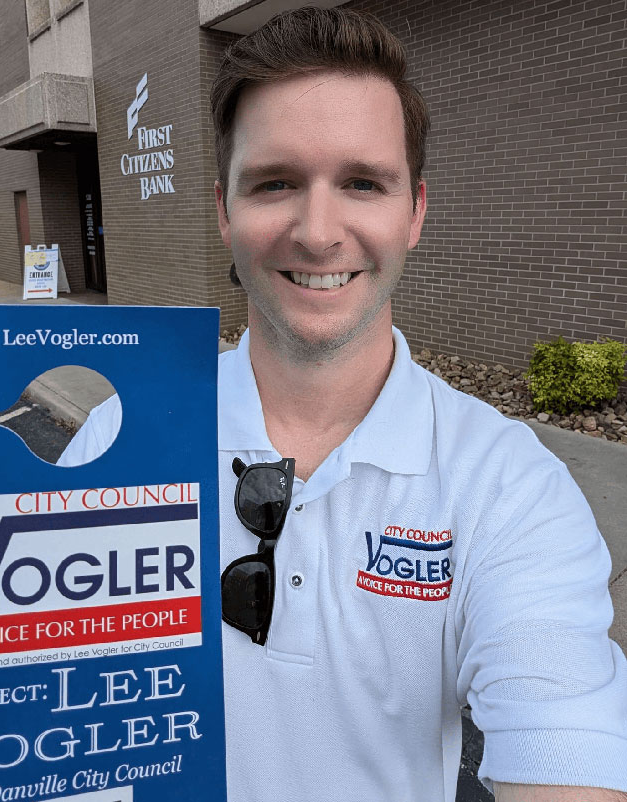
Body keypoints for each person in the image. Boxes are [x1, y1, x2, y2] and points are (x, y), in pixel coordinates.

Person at [59, 7, 627, 801]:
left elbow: (566, 745)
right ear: (225, 212)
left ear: (414, 213)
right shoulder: (113, 440)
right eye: (276, 182)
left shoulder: (506, 487)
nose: (319, 232)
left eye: (362, 183)